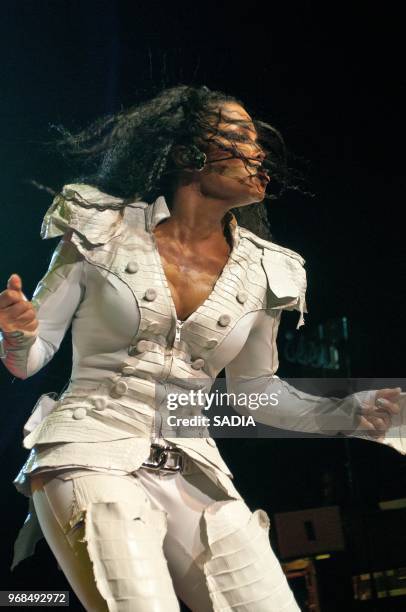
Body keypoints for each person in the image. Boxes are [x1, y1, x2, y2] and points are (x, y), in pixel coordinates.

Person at [0, 85, 403, 612]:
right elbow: (30, 358)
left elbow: (255, 393)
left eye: (258, 141)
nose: (257, 153)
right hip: (89, 451)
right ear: (186, 153)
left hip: (194, 464)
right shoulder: (102, 229)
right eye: (238, 137)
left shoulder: (266, 269)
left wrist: (345, 412)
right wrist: (17, 334)